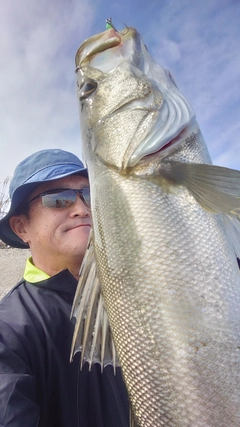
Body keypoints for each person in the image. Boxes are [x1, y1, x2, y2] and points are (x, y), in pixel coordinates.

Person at [0, 149, 129, 427]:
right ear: (22, 227)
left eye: (89, 195)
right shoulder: (8, 329)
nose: (82, 208)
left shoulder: (134, 297)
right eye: (60, 199)